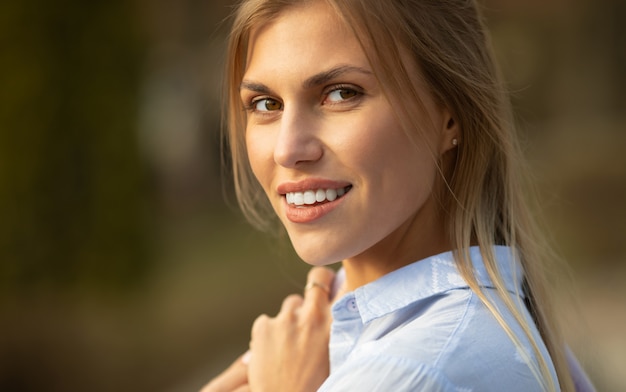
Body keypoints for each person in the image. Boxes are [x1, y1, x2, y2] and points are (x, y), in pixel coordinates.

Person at [202, 0, 596, 391]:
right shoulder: (329, 334)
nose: (287, 149)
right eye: (266, 104)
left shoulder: (411, 372)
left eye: (341, 94)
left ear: (450, 113)